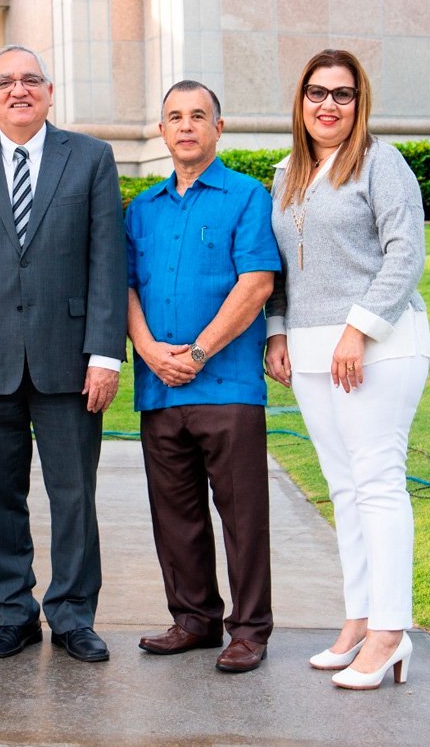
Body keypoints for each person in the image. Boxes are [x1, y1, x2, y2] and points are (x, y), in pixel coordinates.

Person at [0, 44, 128, 663]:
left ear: (49, 91)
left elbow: (106, 261)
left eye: (30, 80)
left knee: (73, 495)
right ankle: (13, 613)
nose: (19, 90)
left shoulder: (91, 158)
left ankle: (72, 617)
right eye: (5, 82)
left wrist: (105, 354)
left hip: (70, 360)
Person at [264, 49, 430, 689]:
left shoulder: (381, 164)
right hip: (307, 353)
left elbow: (405, 253)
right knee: (344, 489)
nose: (327, 105)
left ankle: (391, 632)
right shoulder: (288, 174)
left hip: (379, 347)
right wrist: (277, 335)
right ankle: (360, 619)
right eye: (316, 93)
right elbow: (281, 270)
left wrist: (358, 330)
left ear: (360, 103)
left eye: (342, 94)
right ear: (300, 102)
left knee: (379, 484)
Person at [127, 81, 280, 673]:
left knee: (242, 515)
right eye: (174, 117)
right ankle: (194, 619)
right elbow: (126, 289)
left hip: (228, 387)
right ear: (162, 131)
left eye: (198, 116)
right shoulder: (141, 209)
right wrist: (148, 350)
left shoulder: (246, 197)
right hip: (158, 389)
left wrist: (195, 353)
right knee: (175, 513)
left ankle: (250, 629)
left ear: (219, 127)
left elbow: (257, 284)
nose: (186, 126)